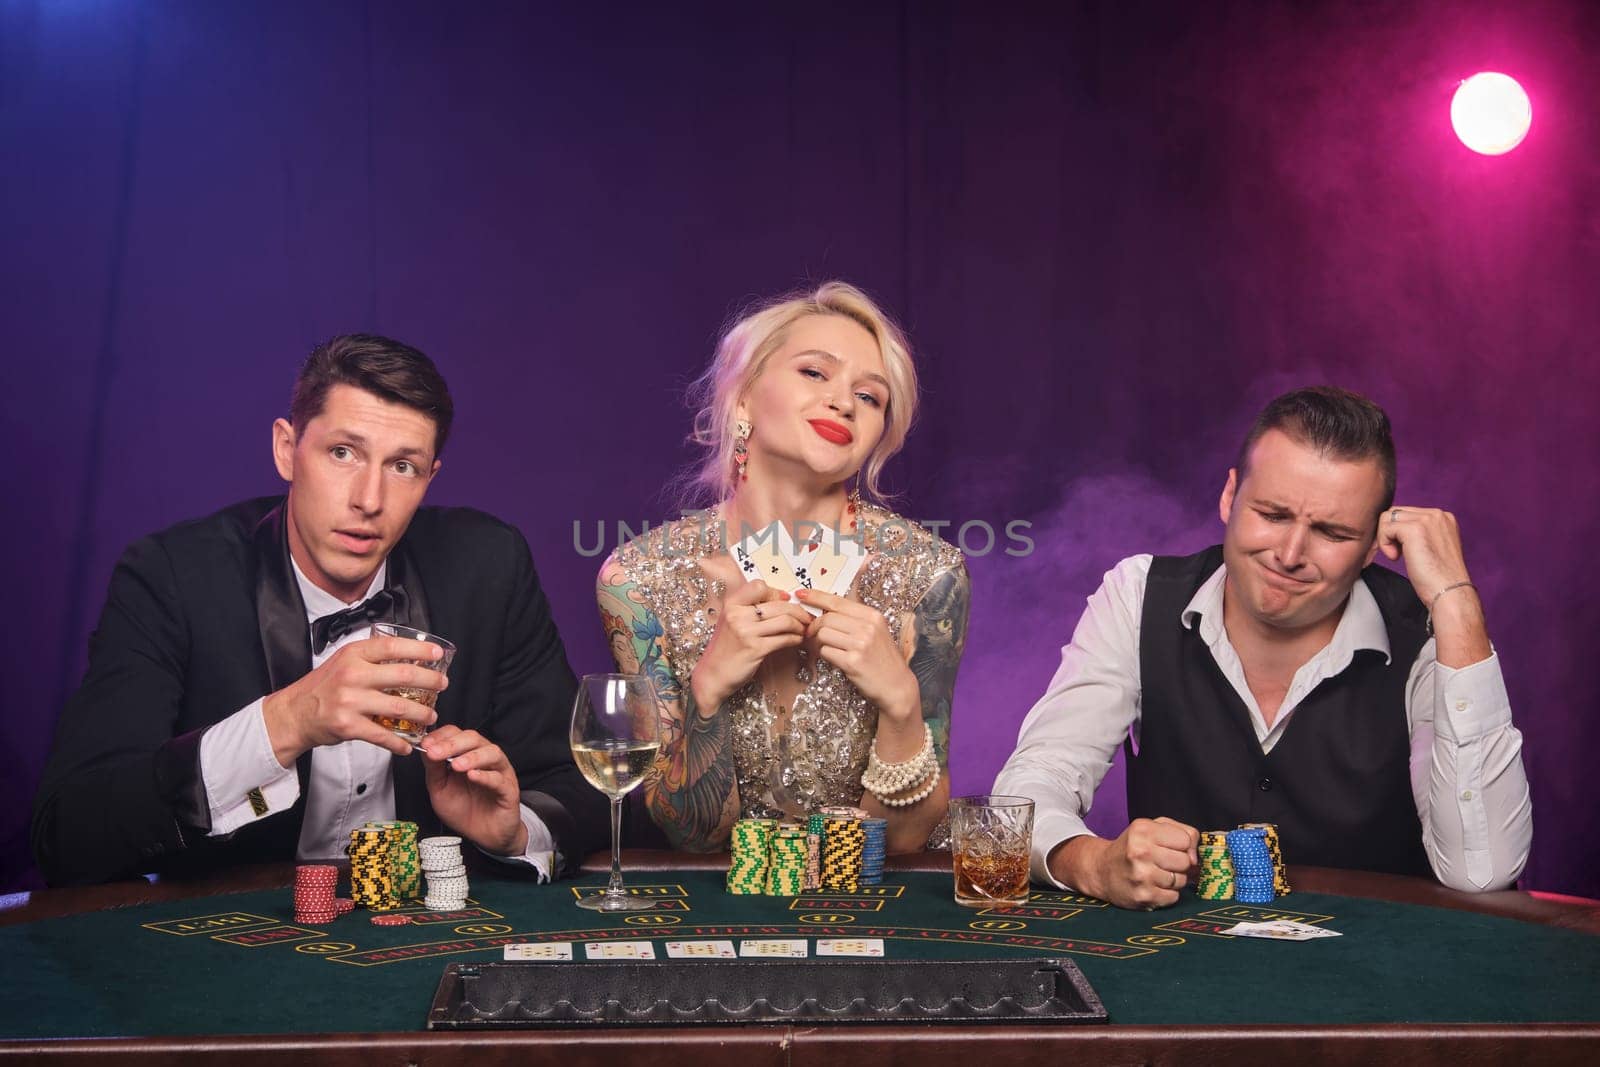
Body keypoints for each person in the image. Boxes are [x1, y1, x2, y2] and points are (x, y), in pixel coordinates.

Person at [32, 334, 608, 886]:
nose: (368, 499)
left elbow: (578, 784)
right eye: (342, 453)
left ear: (430, 477)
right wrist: (288, 720)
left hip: (425, 938)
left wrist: (512, 832)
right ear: (287, 448)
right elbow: (71, 834)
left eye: (402, 466)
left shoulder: (488, 564)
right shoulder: (173, 576)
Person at [995, 386, 1532, 909]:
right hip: (1180, 967)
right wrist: (1092, 863)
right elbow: (1024, 797)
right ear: (1230, 496)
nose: (1290, 553)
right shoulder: (1139, 596)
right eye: (1273, 515)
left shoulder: (1430, 635)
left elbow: (1480, 872)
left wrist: (1457, 604)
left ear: (1373, 545)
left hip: (1384, 978)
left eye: (1332, 532)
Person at [596, 282, 970, 854]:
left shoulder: (929, 573)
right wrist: (709, 690)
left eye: (870, 397)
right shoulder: (639, 580)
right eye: (815, 373)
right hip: (717, 919)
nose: (844, 402)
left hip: (873, 915)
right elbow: (693, 836)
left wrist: (901, 705)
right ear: (743, 398)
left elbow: (903, 845)